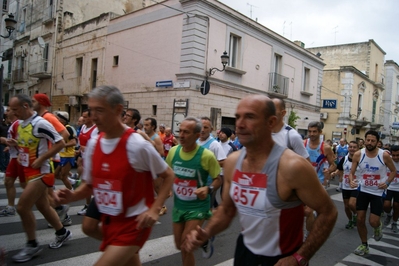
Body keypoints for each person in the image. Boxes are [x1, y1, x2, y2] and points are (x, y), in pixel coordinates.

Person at [182, 95, 337, 265]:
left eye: (250, 117)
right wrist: (207, 232)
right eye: (237, 117)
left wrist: (300, 256)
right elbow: (226, 210)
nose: (240, 124)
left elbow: (328, 213)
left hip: (283, 257)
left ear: (271, 122)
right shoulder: (233, 162)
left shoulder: (293, 166)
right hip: (245, 252)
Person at [56, 85, 174, 266]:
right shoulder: (95, 143)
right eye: (91, 110)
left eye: (100, 110)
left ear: (118, 110)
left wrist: (154, 209)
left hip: (135, 223)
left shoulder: (137, 145)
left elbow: (168, 175)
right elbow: (89, 184)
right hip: (110, 221)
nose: (94, 116)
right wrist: (72, 195)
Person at [8, 95, 71, 263]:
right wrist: (15, 145)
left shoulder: (41, 123)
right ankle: (62, 232)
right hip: (29, 171)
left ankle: (32, 244)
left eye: (15, 109)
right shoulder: (21, 124)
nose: (12, 113)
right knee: (43, 205)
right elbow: (29, 145)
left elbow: (60, 143)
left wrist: (42, 158)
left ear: (26, 106)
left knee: (22, 207)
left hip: (43, 172)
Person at [166, 117, 221, 265]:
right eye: (180, 131)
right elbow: (167, 173)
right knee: (180, 245)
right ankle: (202, 239)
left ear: (197, 135)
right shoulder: (173, 152)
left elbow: (218, 179)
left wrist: (208, 188)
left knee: (186, 246)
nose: (181, 135)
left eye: (186, 132)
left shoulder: (206, 155)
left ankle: (201, 238)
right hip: (179, 206)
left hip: (198, 207)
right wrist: (164, 189)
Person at [349, 130, 396, 256]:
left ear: (377, 142)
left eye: (372, 141)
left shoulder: (384, 155)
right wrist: (352, 181)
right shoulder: (359, 154)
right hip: (363, 190)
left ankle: (377, 227)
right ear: (364, 140)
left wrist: (387, 183)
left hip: (378, 192)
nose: (369, 143)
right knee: (360, 219)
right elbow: (351, 173)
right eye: (367, 140)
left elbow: (393, 171)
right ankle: (364, 244)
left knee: (373, 221)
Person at [32, 93, 71, 224]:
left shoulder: (48, 117)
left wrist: (53, 150)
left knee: (46, 192)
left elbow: (64, 133)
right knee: (46, 192)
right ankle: (62, 215)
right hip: (48, 158)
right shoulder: (41, 117)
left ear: (41, 103)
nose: (31, 104)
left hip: (50, 159)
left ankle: (61, 213)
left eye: (33, 101)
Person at [0, 107, 25, 216]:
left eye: (8, 110)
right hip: (15, 157)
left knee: (26, 186)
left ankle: (55, 205)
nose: (6, 112)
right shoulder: (13, 124)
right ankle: (10, 207)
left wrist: (8, 142)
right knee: (8, 181)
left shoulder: (18, 124)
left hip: (20, 158)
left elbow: (26, 142)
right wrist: (9, 147)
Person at [198, 117, 226, 209]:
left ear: (211, 129)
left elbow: (223, 161)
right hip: (195, 182)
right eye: (201, 127)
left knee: (205, 210)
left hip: (209, 182)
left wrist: (207, 165)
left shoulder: (214, 144)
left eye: (205, 127)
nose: (202, 130)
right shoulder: (195, 141)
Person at [76, 109, 99, 215]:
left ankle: (94, 206)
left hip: (94, 159)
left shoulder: (95, 129)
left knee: (92, 184)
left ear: (91, 118)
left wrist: (85, 148)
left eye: (85, 117)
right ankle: (88, 205)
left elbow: (94, 146)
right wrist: (79, 152)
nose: (83, 119)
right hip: (84, 158)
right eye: (83, 116)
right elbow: (81, 142)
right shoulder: (83, 127)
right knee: (86, 182)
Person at [334, 140, 359, 229]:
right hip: (346, 185)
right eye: (350, 147)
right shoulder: (344, 158)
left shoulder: (361, 159)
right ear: (348, 148)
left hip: (356, 186)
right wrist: (334, 173)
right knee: (346, 206)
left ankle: (356, 215)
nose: (352, 149)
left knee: (352, 204)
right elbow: (339, 169)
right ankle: (350, 220)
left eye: (354, 147)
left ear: (358, 149)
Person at [54, 111, 77, 191]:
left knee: (63, 177)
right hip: (61, 155)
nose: (56, 120)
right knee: (56, 175)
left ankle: (71, 192)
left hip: (68, 155)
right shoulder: (61, 128)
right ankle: (72, 182)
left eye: (58, 119)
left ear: (63, 120)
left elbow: (74, 142)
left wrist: (62, 145)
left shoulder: (68, 128)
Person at [383, 145, 399, 233]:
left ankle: (394, 222)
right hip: (388, 187)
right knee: (386, 206)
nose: (396, 157)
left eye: (398, 155)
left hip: (398, 188)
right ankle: (389, 215)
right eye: (394, 155)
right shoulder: (387, 159)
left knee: (397, 206)